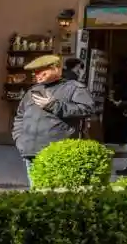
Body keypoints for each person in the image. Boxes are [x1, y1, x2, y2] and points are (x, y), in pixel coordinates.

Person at [11, 54, 97, 189]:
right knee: (36, 193)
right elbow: (20, 116)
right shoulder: (33, 91)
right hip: (30, 150)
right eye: (35, 72)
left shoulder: (74, 87)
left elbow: (87, 108)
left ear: (56, 69)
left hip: (56, 152)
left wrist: (54, 105)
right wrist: (19, 139)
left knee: (53, 193)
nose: (37, 75)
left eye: (41, 71)